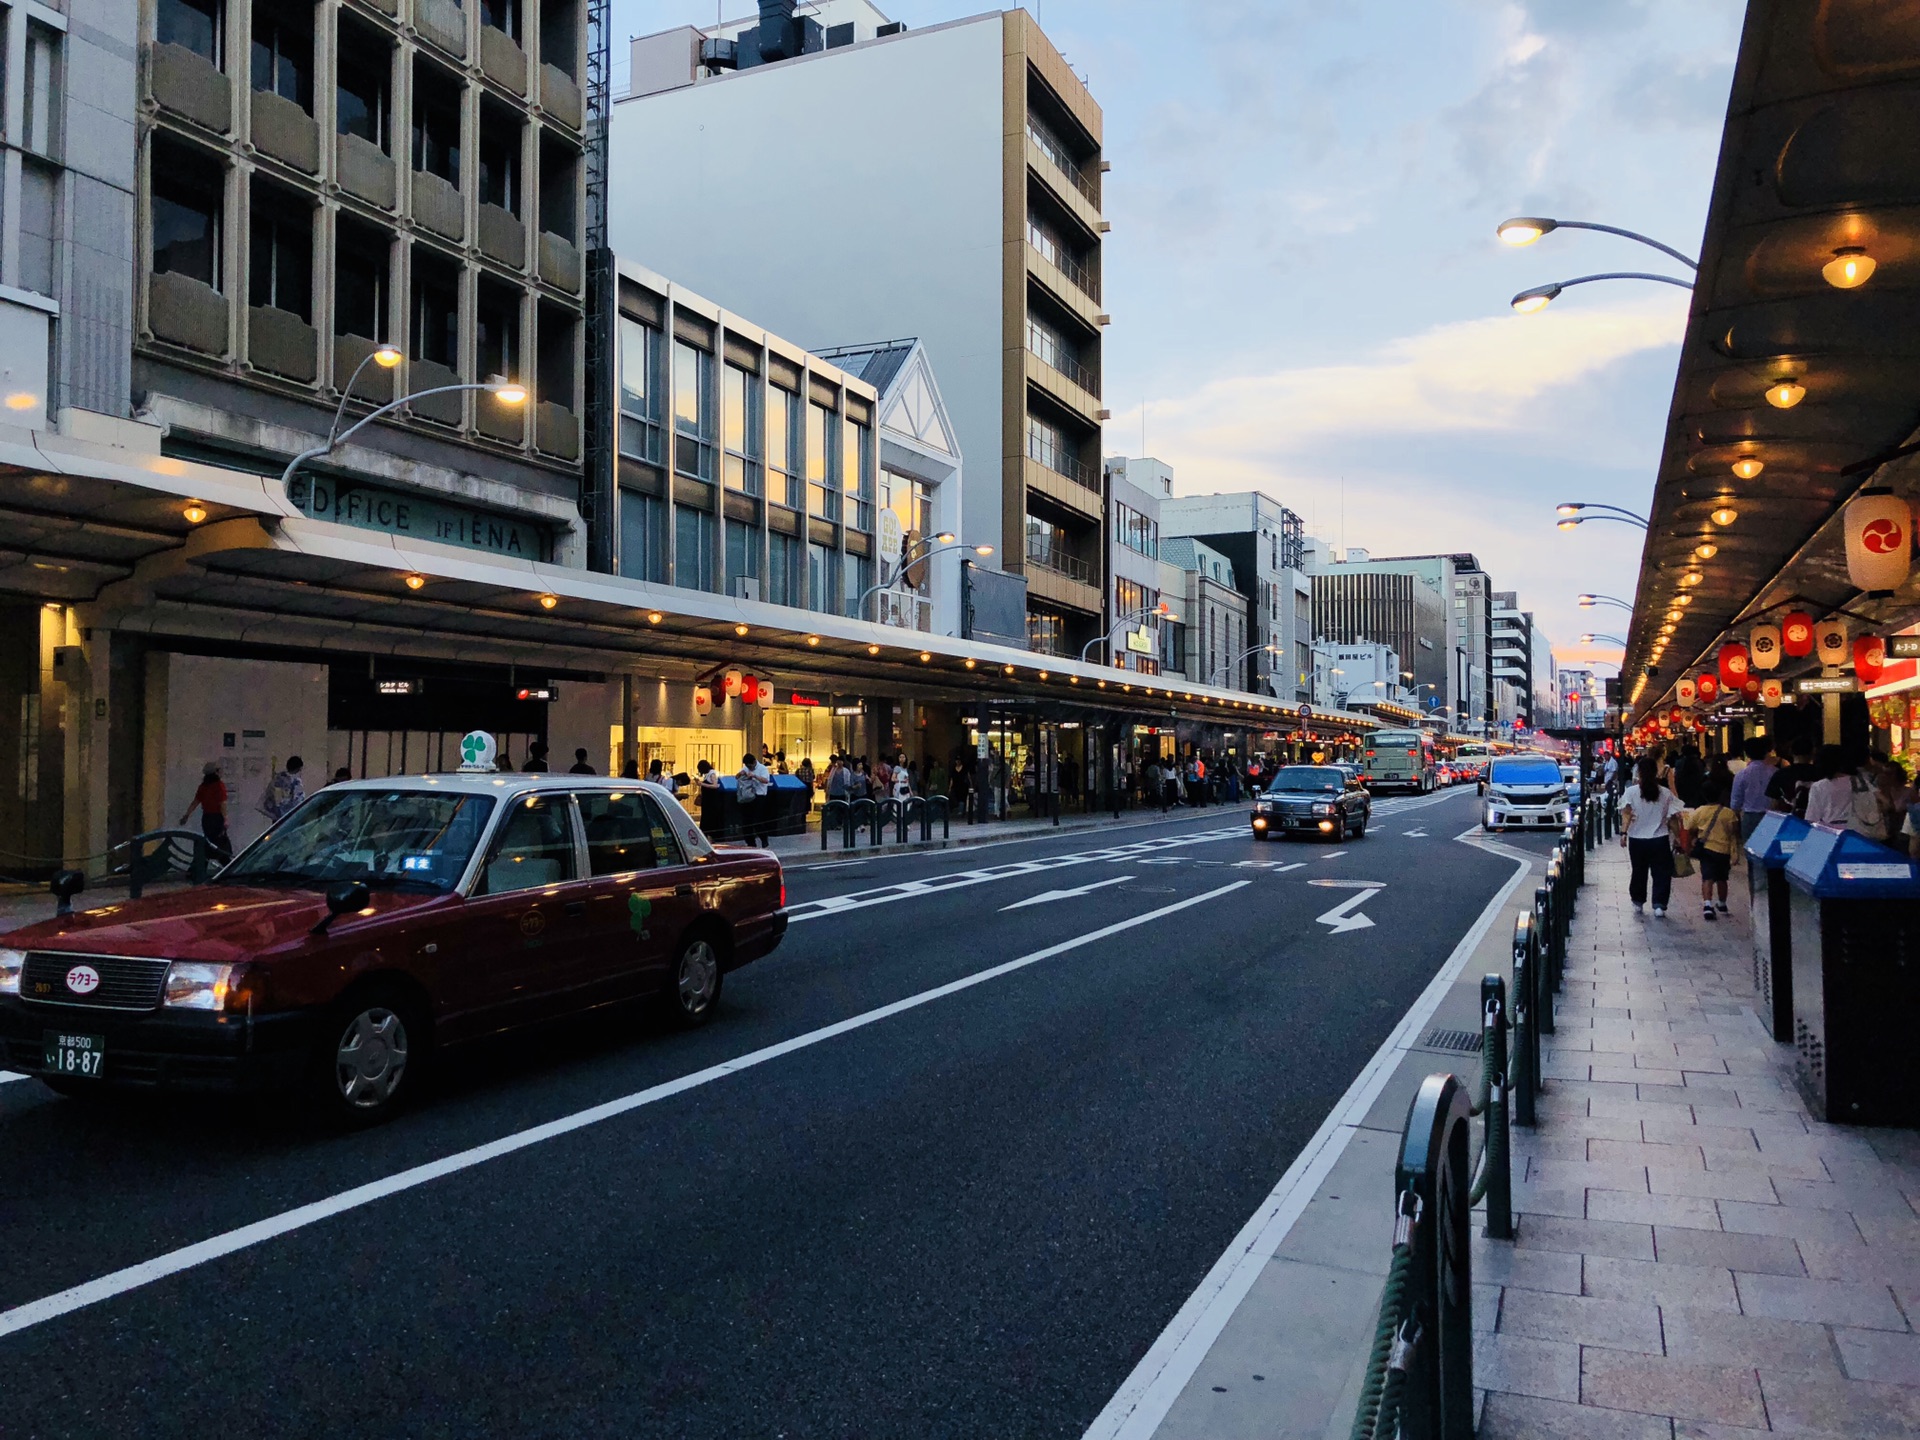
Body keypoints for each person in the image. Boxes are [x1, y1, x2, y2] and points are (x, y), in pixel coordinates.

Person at [1619, 754, 1684, 918]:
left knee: (1638, 871)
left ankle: (1638, 901)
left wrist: (1624, 833)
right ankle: (1659, 905)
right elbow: (1673, 818)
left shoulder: (1631, 792)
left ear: (1638, 772)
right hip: (1660, 839)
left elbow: (1626, 814)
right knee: (1661, 872)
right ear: (1656, 772)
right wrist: (1677, 837)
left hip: (1637, 839)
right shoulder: (1666, 793)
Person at [1686, 780, 1740, 921]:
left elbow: (1691, 829)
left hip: (1707, 850)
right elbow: (1733, 833)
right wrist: (1735, 852)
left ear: (1704, 795)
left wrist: (1690, 843)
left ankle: (1708, 905)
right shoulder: (1729, 813)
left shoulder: (1699, 812)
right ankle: (1722, 903)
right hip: (1723, 850)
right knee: (1722, 878)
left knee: (1707, 877)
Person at [180, 761, 233, 864]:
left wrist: (186, 815)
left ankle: (201, 863)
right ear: (216, 772)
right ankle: (225, 864)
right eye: (219, 770)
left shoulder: (203, 787)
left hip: (207, 819)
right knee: (221, 842)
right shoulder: (219, 786)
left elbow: (195, 802)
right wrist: (226, 818)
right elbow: (222, 804)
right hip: (217, 819)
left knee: (210, 841)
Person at [1728, 735, 1779, 843]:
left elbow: (1735, 804)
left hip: (1749, 818)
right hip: (1772, 817)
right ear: (1766, 752)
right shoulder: (1775, 772)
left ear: (1747, 753)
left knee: (1750, 851)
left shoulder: (1742, 774)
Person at [1767, 738, 1817, 818]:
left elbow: (1774, 803)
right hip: (1816, 821)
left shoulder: (1781, 774)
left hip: (1789, 820)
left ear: (1791, 752)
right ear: (1813, 752)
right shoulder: (1821, 773)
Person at [735, 751, 773, 846]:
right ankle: (750, 843)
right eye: (747, 766)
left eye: (750, 766)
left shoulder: (762, 769)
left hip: (759, 796)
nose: (749, 768)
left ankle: (764, 838)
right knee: (746, 822)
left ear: (754, 762)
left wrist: (754, 776)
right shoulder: (746, 768)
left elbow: (766, 780)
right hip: (748, 796)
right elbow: (736, 777)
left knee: (757, 821)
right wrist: (741, 773)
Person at [260, 755, 305, 824]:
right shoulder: (296, 782)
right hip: (290, 818)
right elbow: (299, 801)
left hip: (277, 817)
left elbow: (269, 797)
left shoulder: (277, 778)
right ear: (298, 769)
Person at [696, 759, 722, 834]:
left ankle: (710, 835)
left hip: (710, 801)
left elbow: (715, 785)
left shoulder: (712, 774)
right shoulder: (708, 774)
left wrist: (702, 784)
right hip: (707, 801)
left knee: (709, 819)